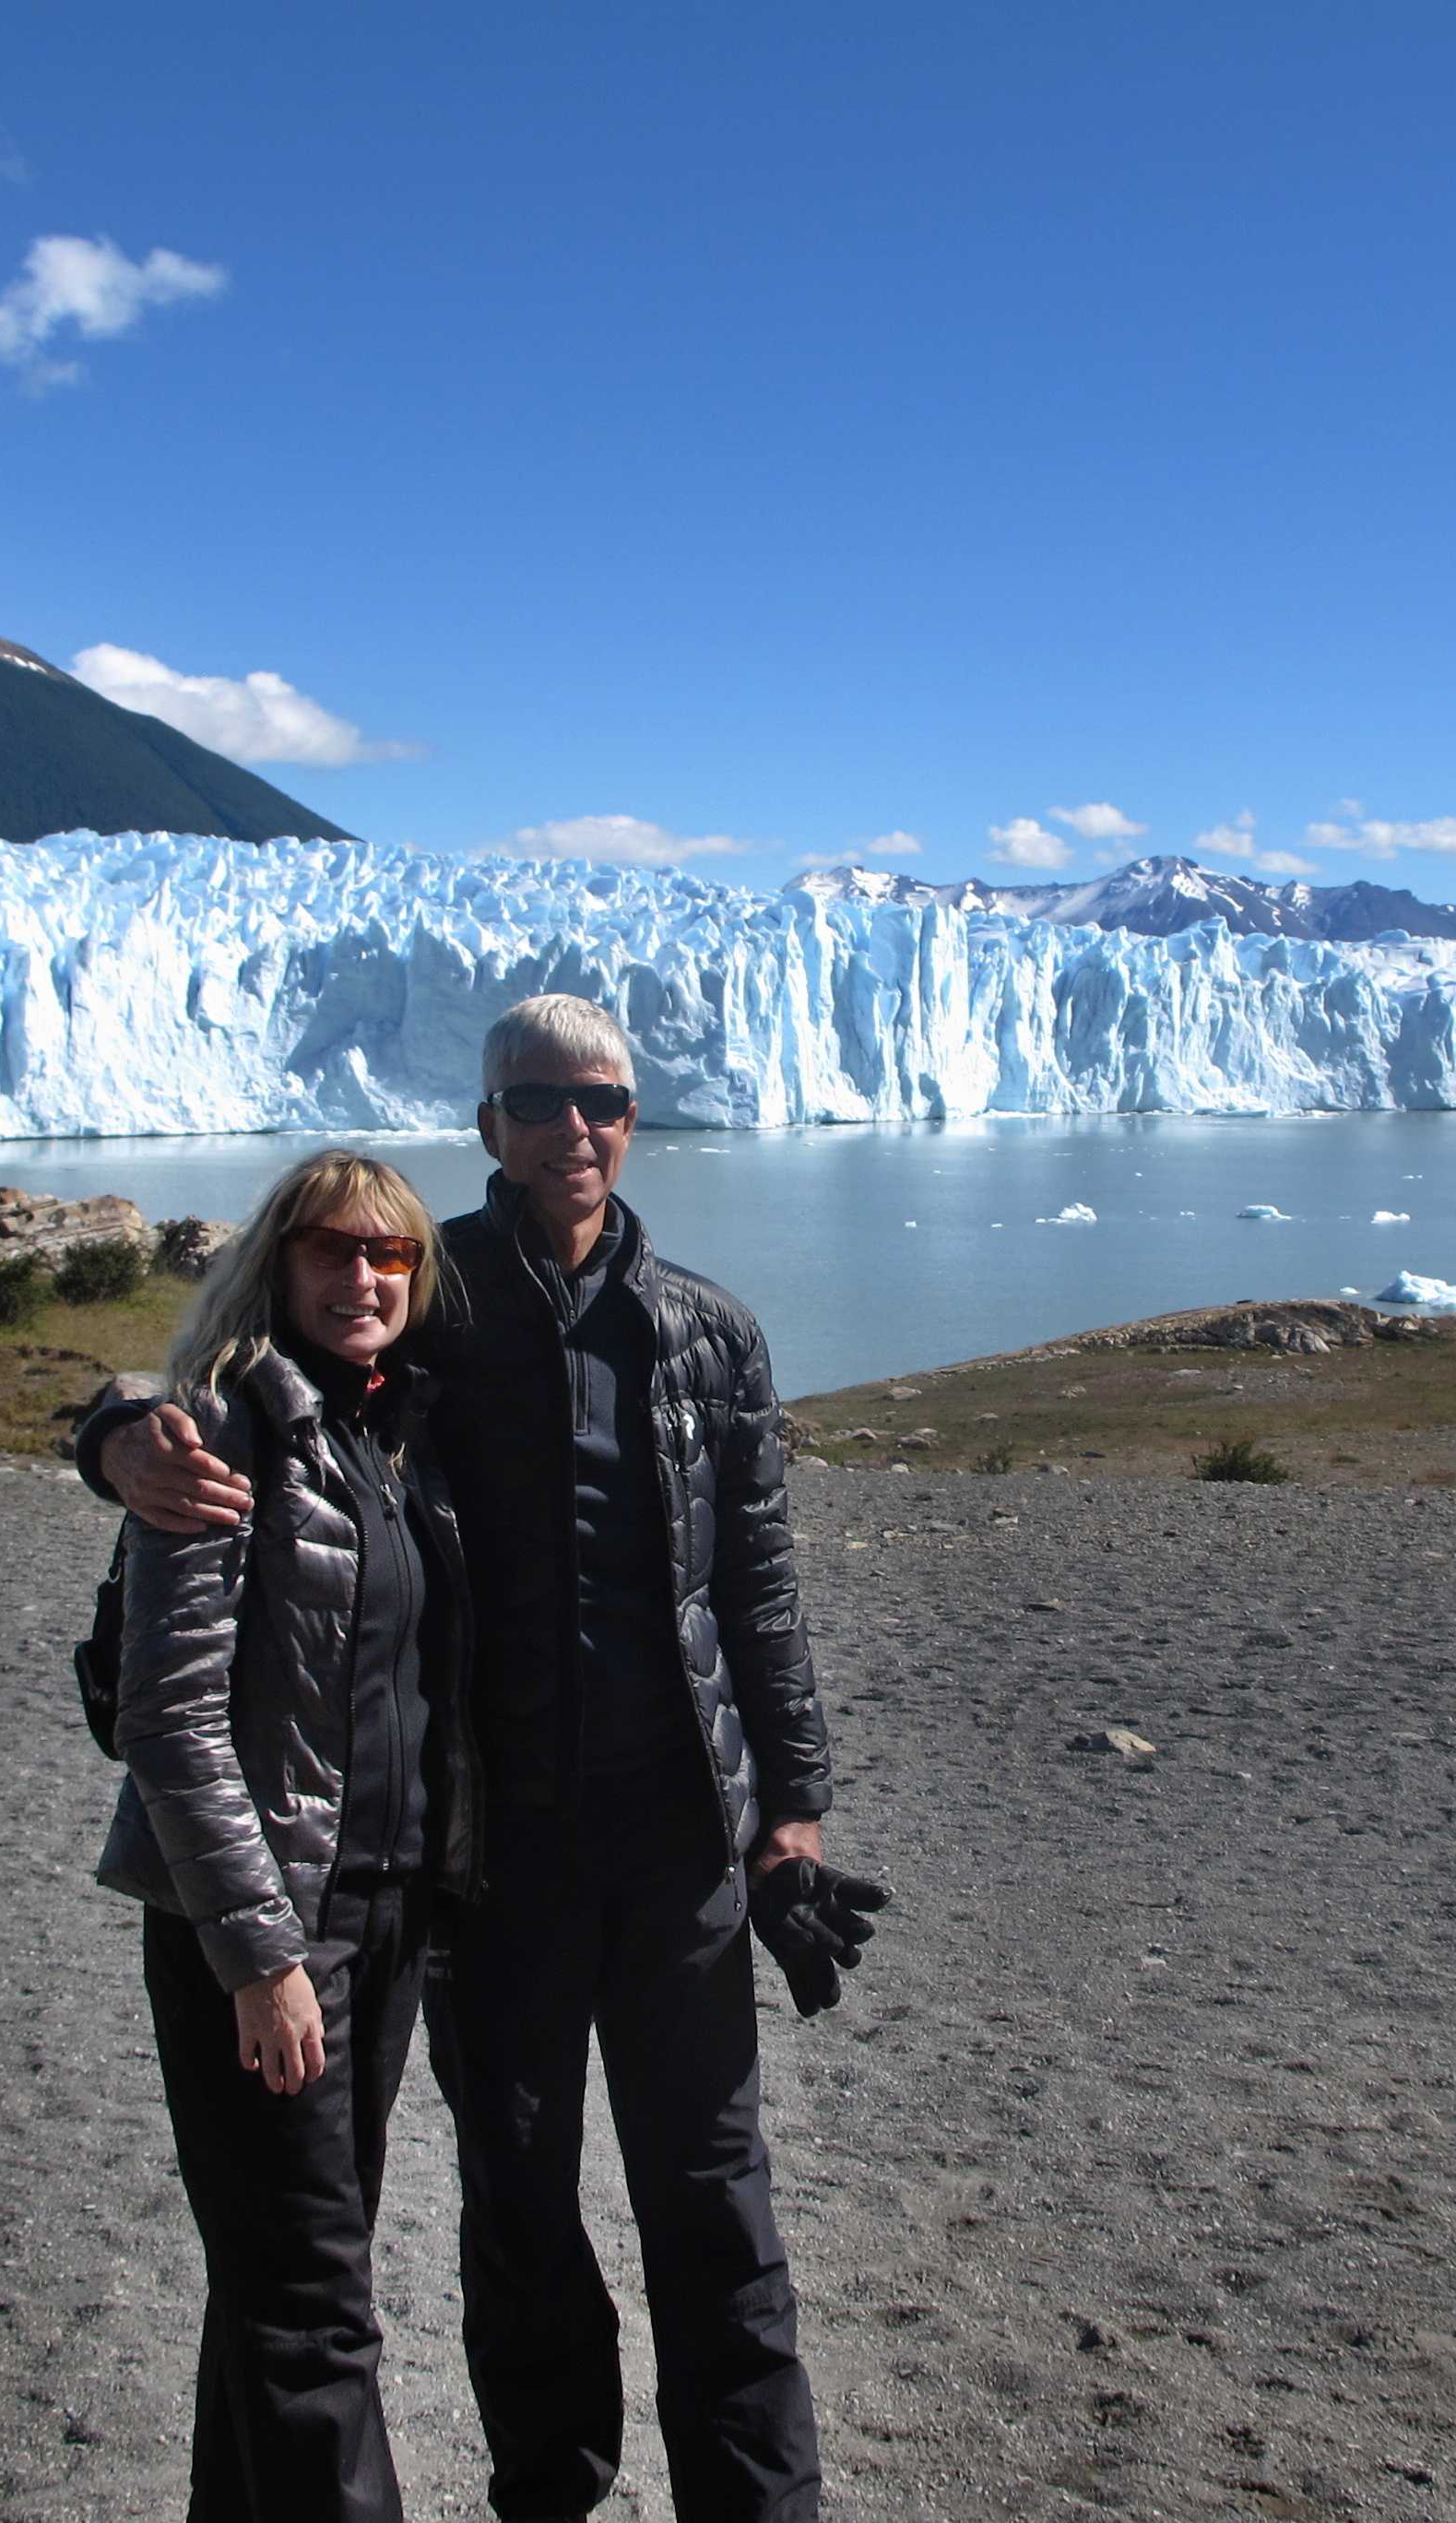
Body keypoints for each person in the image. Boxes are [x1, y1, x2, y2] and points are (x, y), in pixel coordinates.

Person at [91, 993, 885, 2523]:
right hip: (492, 1850)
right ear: (490, 1125)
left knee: (713, 2200)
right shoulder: (436, 1299)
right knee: (518, 2207)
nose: (573, 1129)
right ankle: (551, 2491)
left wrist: (790, 1810)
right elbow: (247, 1375)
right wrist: (118, 1425)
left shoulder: (708, 1332)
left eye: (602, 1101)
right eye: (540, 1100)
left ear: (632, 1121)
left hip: (675, 1847)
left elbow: (759, 1595)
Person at [96, 1148, 482, 2523]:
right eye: (334, 1249)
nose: (365, 1277)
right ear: (279, 1259)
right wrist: (261, 1959)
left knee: (280, 2280)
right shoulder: (218, 1435)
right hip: (264, 1936)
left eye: (389, 1254)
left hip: (377, 1920)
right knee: (317, 2305)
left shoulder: (385, 1428)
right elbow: (171, 1722)